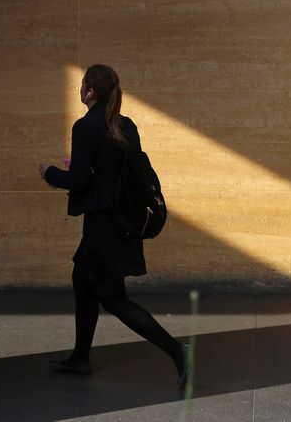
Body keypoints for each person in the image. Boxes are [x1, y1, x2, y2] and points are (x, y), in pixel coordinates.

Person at [39, 63, 189, 389]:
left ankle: (177, 350)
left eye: (82, 85)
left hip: (103, 227)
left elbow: (79, 180)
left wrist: (50, 173)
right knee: (82, 280)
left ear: (90, 92)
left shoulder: (85, 127)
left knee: (113, 299)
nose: (80, 89)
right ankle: (80, 358)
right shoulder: (125, 125)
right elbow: (114, 173)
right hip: (121, 221)